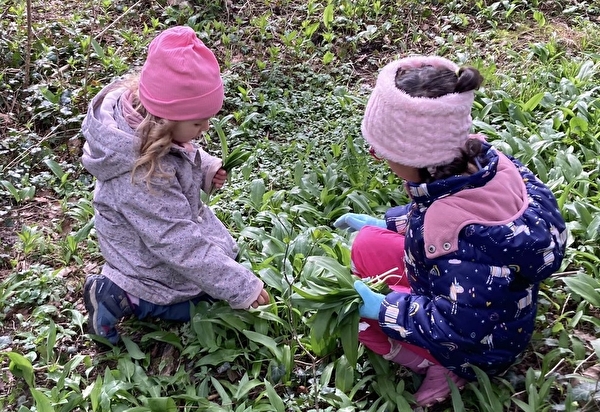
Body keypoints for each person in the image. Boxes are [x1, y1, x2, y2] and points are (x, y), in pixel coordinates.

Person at [334, 55, 567, 407]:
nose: (373, 152)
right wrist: (391, 224)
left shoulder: (460, 237)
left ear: (418, 157)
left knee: (361, 324)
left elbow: (456, 327)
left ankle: (442, 368)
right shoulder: (486, 164)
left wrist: (384, 309)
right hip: (468, 286)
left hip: (477, 342)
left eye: (382, 150)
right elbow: (435, 212)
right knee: (367, 242)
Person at [81, 26, 269, 345]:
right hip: (143, 255)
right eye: (198, 123)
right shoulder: (142, 176)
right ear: (166, 119)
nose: (206, 127)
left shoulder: (147, 119)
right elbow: (178, 243)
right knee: (199, 305)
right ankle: (116, 294)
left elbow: (180, 150)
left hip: (155, 232)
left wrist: (207, 168)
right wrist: (241, 288)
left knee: (213, 277)